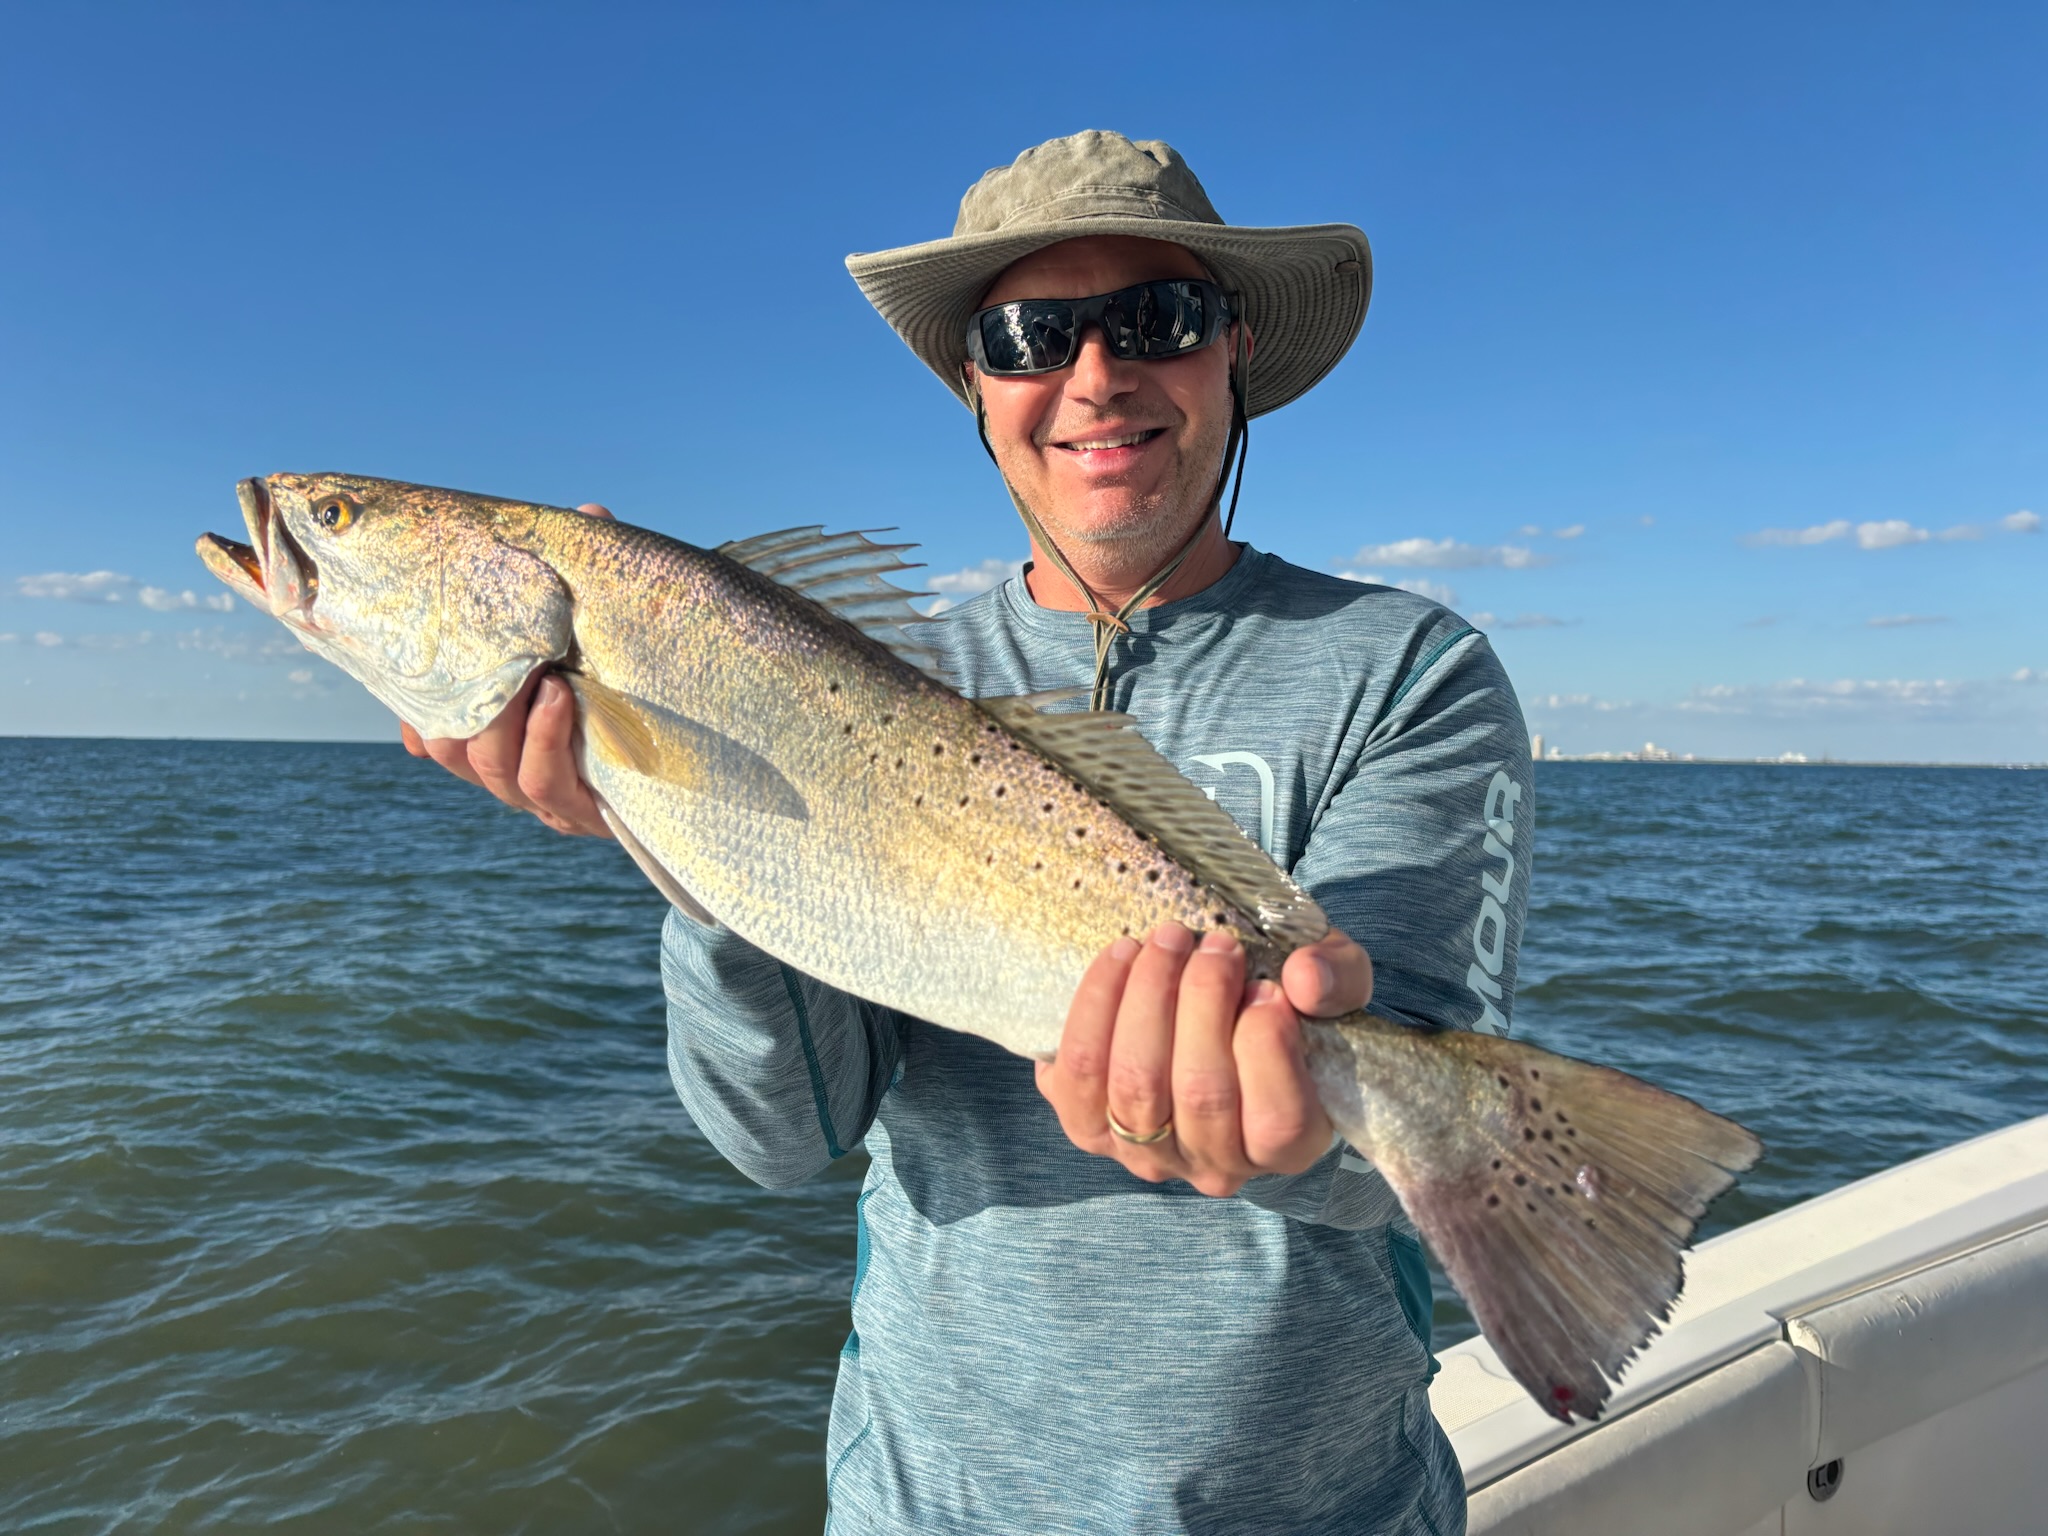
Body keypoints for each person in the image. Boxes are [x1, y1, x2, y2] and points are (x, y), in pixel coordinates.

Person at [407, 131, 1532, 1535]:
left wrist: (1287, 1127)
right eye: (1029, 334)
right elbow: (779, 1135)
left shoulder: (1405, 668)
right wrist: (683, 830)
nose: (1098, 376)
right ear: (975, 385)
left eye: (1157, 319)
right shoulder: (866, 673)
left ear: (1231, 347)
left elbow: (1417, 1145)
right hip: (925, 1504)